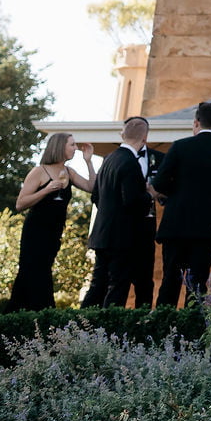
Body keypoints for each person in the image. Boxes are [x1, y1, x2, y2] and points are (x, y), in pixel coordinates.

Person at [154, 100, 211, 305]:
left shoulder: (180, 147)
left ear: (196, 122)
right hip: (208, 229)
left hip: (177, 225)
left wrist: (175, 193)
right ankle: (193, 322)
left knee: (170, 279)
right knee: (199, 282)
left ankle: (164, 321)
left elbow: (159, 183)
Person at [11, 132, 95, 309]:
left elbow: (92, 187)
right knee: (32, 273)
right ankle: (37, 312)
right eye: (72, 145)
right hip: (35, 231)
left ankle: (29, 314)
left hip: (54, 232)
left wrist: (88, 161)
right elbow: (20, 204)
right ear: (60, 147)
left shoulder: (69, 172)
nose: (75, 148)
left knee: (43, 271)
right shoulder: (39, 171)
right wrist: (46, 190)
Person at [82, 117, 155, 309]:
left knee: (98, 286)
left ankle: (78, 323)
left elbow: (96, 196)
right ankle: (109, 324)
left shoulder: (109, 159)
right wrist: (150, 195)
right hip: (122, 238)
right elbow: (132, 201)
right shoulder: (130, 163)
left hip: (102, 233)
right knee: (118, 285)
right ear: (145, 138)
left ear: (123, 134)